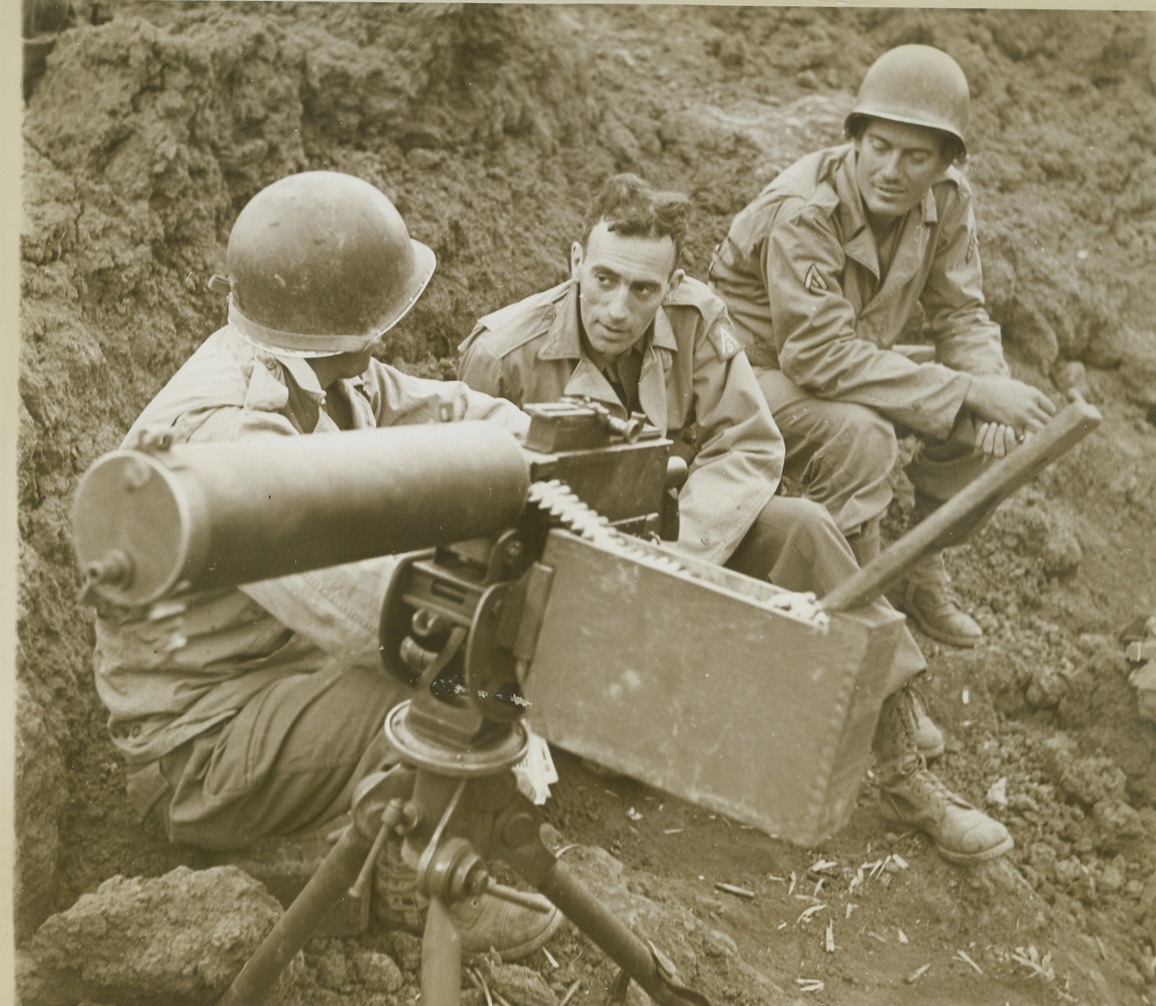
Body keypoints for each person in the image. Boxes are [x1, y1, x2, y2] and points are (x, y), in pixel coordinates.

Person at [458, 172, 1013, 864]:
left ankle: (904, 772)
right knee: (620, 760)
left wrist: (680, 553)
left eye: (643, 290)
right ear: (574, 262)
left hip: (675, 546)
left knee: (806, 529)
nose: (618, 309)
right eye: (603, 279)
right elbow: (474, 511)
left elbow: (748, 444)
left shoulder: (694, 320)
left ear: (672, 283)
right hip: (559, 583)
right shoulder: (503, 353)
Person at [89, 170, 561, 958]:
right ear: (361, 323)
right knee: (444, 671)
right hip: (201, 747)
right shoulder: (230, 437)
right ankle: (422, 883)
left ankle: (394, 826)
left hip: (276, 683)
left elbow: (447, 416)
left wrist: (560, 447)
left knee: (468, 665)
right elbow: (373, 615)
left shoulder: (323, 369)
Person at [709, 44, 1057, 649]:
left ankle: (920, 568)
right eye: (879, 147)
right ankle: (858, 631)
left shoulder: (948, 199)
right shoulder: (803, 210)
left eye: (916, 155)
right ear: (856, 138)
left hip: (845, 362)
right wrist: (969, 390)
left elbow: (962, 312)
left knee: (991, 434)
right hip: (745, 377)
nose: (892, 170)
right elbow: (813, 354)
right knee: (864, 435)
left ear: (946, 161)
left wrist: (985, 384)